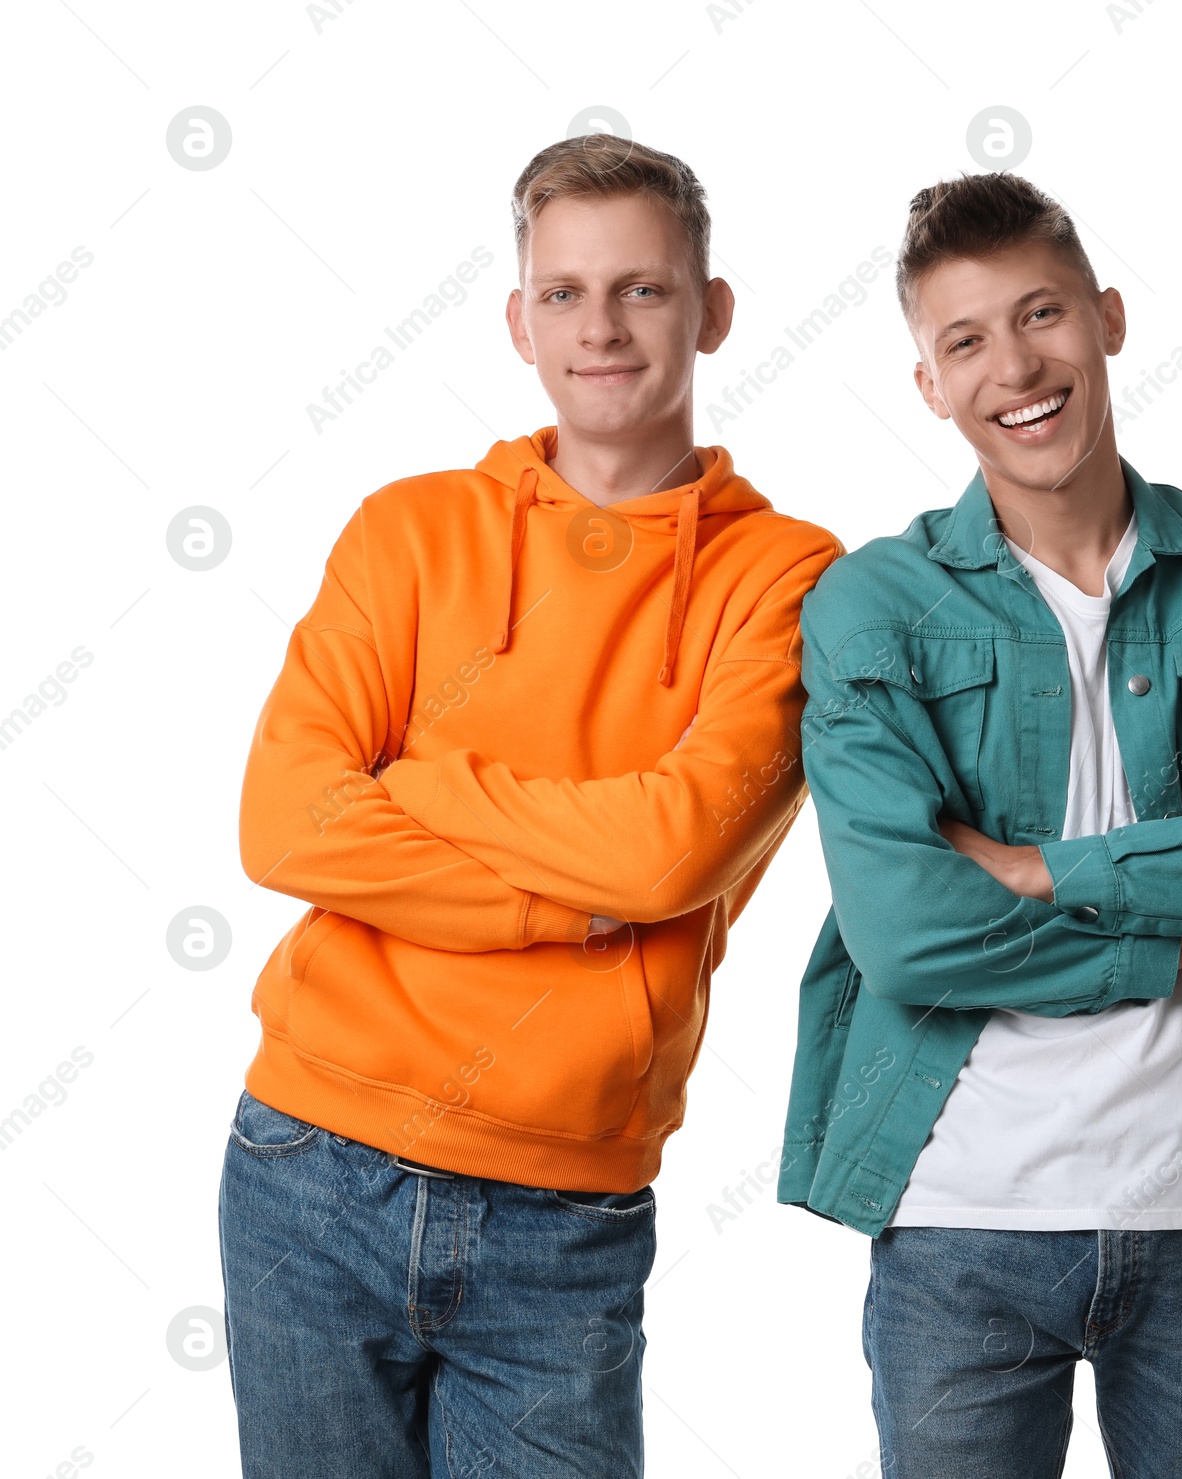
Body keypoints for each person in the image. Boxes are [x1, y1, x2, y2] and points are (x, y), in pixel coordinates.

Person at [221, 133, 841, 1478]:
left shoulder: (790, 579)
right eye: (563, 294)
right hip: (306, 1166)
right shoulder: (408, 532)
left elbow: (676, 849)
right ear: (518, 320)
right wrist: (579, 896)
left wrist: (429, 788)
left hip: (565, 1208)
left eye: (644, 289)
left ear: (712, 310)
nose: (600, 328)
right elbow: (286, 824)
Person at [779, 171, 1182, 1478]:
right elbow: (906, 935)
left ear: (1108, 318)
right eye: (967, 341)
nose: (1018, 365)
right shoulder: (868, 606)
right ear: (930, 386)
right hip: (957, 1219)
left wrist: (1039, 869)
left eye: (1042, 314)